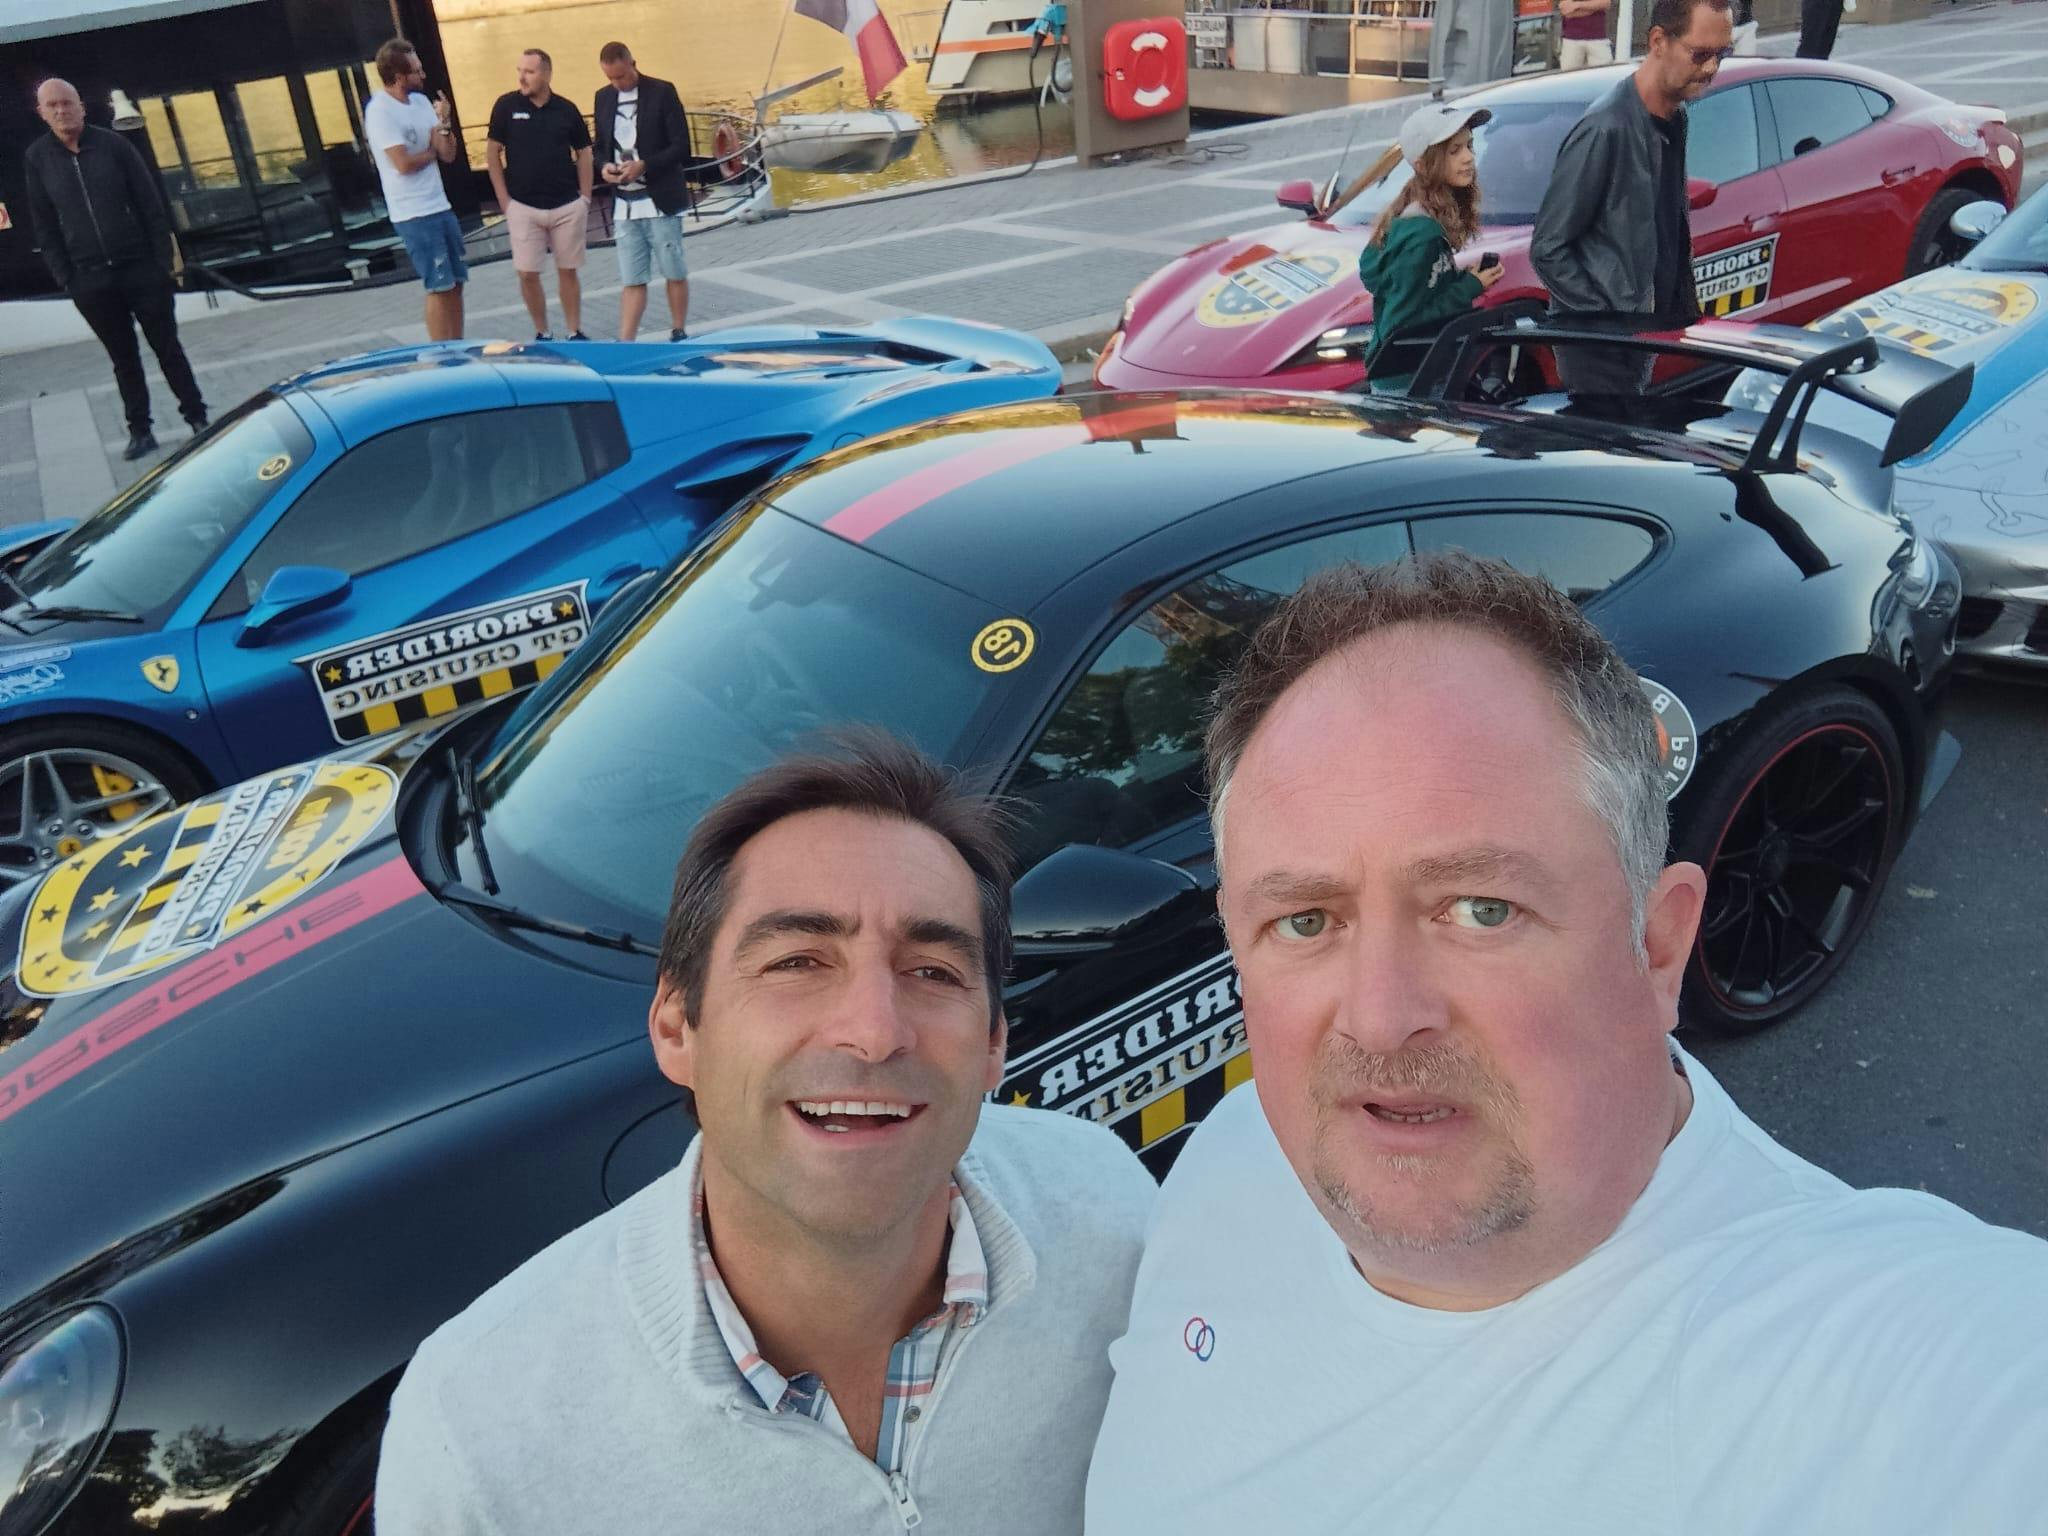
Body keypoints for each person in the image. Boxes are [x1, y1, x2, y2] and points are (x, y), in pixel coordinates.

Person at [1084, 553, 2048, 1533]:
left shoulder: (1897, 1374)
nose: (1378, 1016)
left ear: (1658, 947)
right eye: (1303, 920)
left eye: (1480, 908)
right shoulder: (1237, 1149)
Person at [377, 733, 1156, 1533]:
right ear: (677, 1028)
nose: (874, 1033)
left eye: (933, 971)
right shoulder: (477, 1430)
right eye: (797, 962)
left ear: (994, 1044)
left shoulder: (1108, 1217)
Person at [1530, 0, 1726, 397]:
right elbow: (1548, 248)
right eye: (1700, 54)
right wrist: (1607, 319)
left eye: (1722, 54)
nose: (1711, 68)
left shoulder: (1674, 117)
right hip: (1600, 351)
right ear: (1658, 41)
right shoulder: (1606, 128)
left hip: (1641, 338)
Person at [23, 77, 206, 460]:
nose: (61, 110)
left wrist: (160, 264)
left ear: (81, 105)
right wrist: (68, 278)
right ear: (42, 113)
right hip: (89, 279)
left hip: (140, 269)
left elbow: (150, 205)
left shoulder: (113, 146)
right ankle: (140, 430)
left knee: (167, 348)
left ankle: (197, 418)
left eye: (67, 102)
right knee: (123, 359)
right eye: (52, 105)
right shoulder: (37, 158)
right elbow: (45, 224)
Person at [1350, 103, 1505, 395]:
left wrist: (1459, 278)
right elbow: (1404, 322)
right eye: (1454, 151)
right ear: (1422, 164)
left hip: (1414, 370)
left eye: (1469, 146)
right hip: (1411, 378)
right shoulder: (1422, 233)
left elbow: (1421, 291)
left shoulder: (1416, 215)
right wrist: (1469, 287)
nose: (1469, 157)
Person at [364, 39, 466, 342]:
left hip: (439, 204)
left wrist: (444, 122)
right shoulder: (380, 111)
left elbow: (448, 154)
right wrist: (431, 153)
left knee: (457, 281)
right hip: (413, 212)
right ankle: (441, 351)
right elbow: (403, 164)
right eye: (416, 71)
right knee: (439, 284)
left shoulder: (421, 104)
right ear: (398, 77)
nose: (423, 75)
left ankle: (459, 346)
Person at [488, 48, 593, 341]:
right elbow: (492, 153)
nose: (522, 77)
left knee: (568, 270)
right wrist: (504, 201)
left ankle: (574, 331)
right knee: (527, 273)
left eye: (530, 72)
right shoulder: (506, 106)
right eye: (520, 70)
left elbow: (584, 152)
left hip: (566, 205)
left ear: (546, 74)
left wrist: (585, 198)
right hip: (523, 206)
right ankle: (542, 331)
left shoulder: (566, 109)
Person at [594, 41, 695, 341]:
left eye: (622, 76)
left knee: (673, 269)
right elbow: (599, 147)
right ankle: (626, 341)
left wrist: (645, 165)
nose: (617, 83)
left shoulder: (662, 91)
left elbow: (681, 146)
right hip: (624, 206)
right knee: (632, 277)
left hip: (660, 201)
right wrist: (604, 167)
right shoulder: (603, 98)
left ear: (633, 64)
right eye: (611, 78)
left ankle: (678, 330)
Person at [1557, 0, 1614, 68]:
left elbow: (1605, 3)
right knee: (1570, 73)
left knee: (1603, 72)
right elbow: (1566, 11)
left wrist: (1577, 5)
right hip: (1571, 39)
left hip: (1598, 38)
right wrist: (1594, 8)